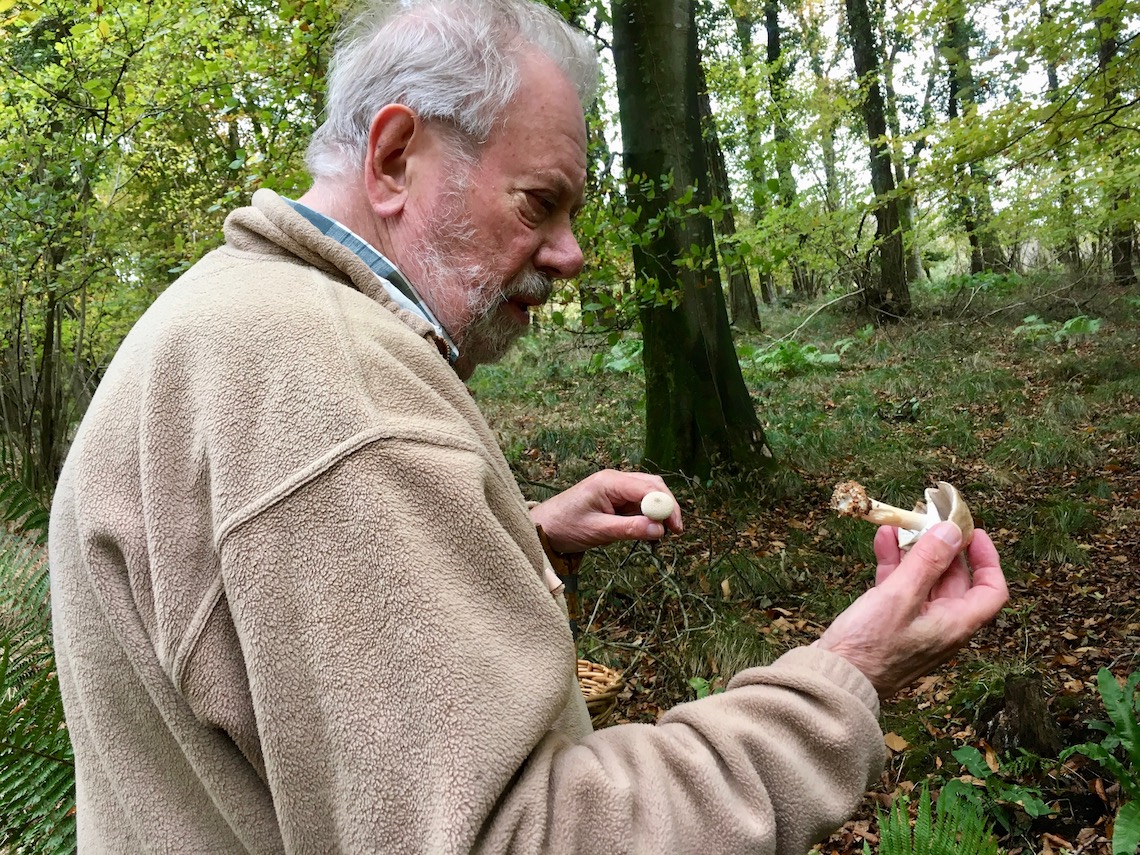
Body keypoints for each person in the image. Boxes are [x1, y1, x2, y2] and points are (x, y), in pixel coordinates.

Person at [47, 0, 1009, 852]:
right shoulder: (334, 391)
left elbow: (261, 651)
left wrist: (515, 538)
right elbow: (515, 834)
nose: (574, 254)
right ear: (394, 158)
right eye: (539, 202)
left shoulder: (223, 318)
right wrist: (846, 673)